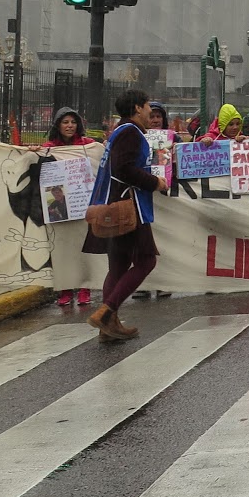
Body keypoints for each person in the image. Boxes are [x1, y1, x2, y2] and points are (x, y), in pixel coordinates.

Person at [82, 89, 164, 342]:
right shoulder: (130, 132)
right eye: (148, 106)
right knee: (146, 261)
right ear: (137, 108)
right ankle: (106, 313)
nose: (150, 111)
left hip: (112, 205)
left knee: (118, 265)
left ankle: (109, 327)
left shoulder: (120, 131)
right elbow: (124, 169)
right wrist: (155, 182)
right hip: (128, 207)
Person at [38, 106, 98, 307]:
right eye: (65, 122)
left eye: (73, 122)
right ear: (58, 125)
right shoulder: (48, 147)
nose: (70, 126)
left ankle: (84, 288)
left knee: (83, 249)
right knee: (62, 251)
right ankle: (65, 290)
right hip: (60, 213)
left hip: (82, 205)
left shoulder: (88, 145)